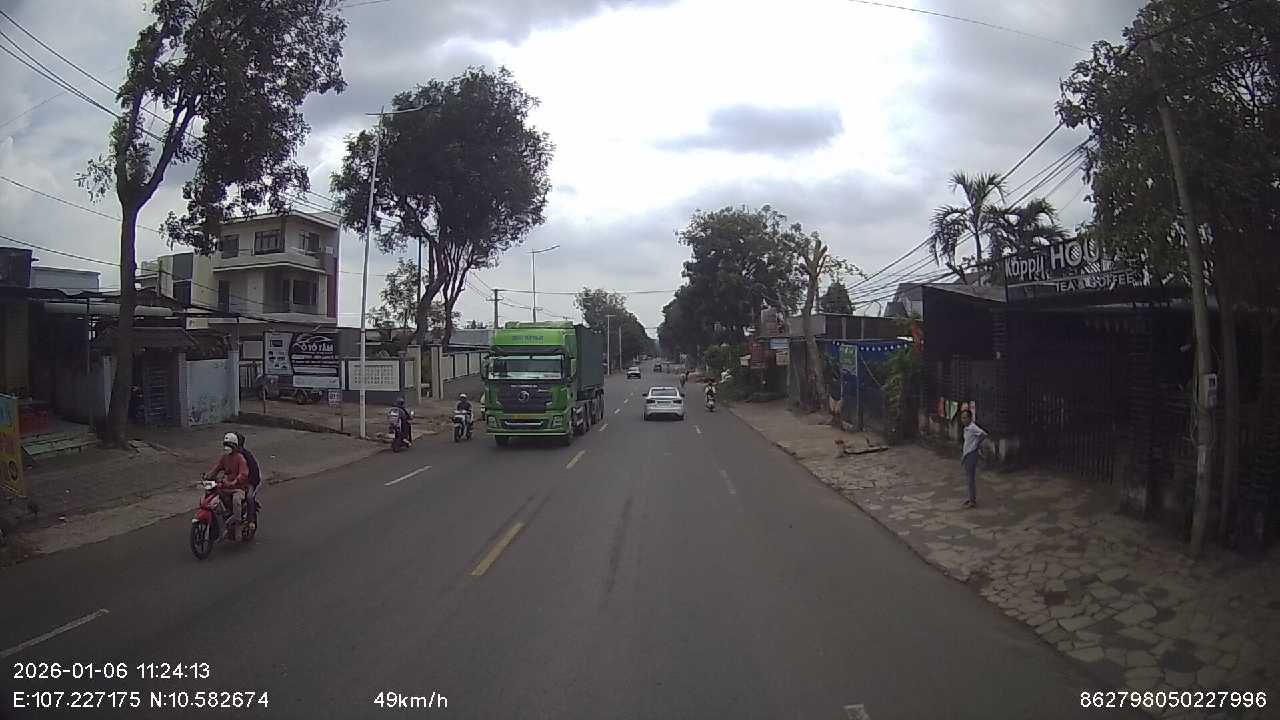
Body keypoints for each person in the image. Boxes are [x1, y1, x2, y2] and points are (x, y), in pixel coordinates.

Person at [206, 432, 250, 526]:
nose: (227, 447)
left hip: (238, 488)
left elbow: (243, 473)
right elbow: (217, 468)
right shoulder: (224, 458)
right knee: (213, 494)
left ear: (234, 446)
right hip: (225, 486)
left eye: (229, 445)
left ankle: (237, 521)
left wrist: (235, 481)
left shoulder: (240, 458)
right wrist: (208, 476)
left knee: (236, 500)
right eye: (225, 445)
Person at [959, 409, 987, 508]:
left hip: (972, 454)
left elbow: (983, 434)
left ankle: (972, 500)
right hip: (967, 454)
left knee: (970, 478)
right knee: (968, 478)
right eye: (962, 418)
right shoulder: (966, 428)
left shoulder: (973, 427)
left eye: (965, 418)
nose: (963, 420)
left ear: (970, 418)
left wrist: (976, 444)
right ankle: (971, 497)